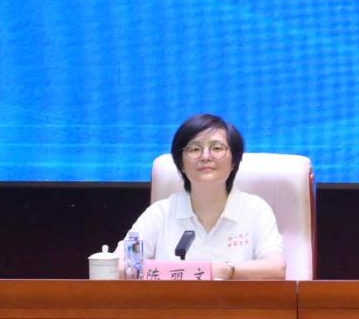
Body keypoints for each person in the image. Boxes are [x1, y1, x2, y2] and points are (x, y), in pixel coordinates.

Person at [119, 115, 286, 280]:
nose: (206, 156)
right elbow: (119, 265)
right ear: (181, 164)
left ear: (234, 161)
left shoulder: (255, 210)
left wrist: (226, 270)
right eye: (194, 149)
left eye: (217, 148)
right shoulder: (160, 214)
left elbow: (276, 268)